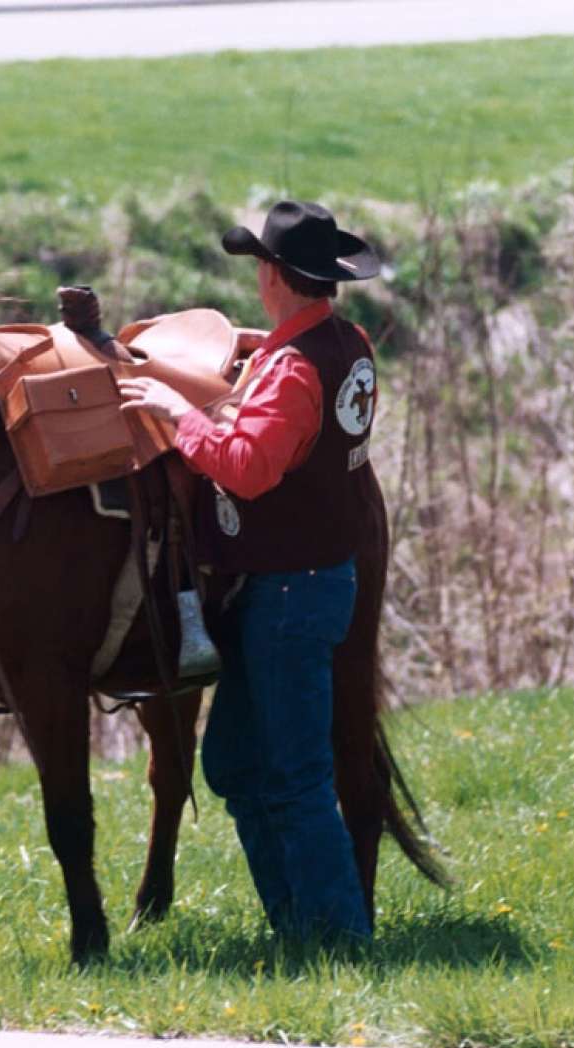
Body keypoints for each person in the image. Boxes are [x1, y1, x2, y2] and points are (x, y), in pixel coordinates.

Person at [119, 200, 383, 941]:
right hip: (311, 580)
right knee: (236, 763)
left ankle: (334, 939)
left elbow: (248, 467)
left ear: (272, 276)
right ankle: (298, 924)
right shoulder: (345, 344)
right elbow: (296, 400)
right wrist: (258, 350)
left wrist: (178, 415)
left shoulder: (293, 370)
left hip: (286, 592)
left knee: (295, 776)